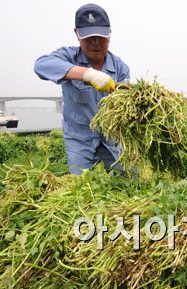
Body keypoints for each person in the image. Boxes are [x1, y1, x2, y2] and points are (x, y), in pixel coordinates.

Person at [34, 4, 130, 175]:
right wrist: (87, 74)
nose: (95, 42)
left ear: (109, 36)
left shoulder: (120, 68)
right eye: (89, 37)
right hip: (79, 141)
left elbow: (126, 108)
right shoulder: (68, 57)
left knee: (126, 180)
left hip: (112, 140)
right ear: (77, 35)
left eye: (100, 37)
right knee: (82, 187)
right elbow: (41, 65)